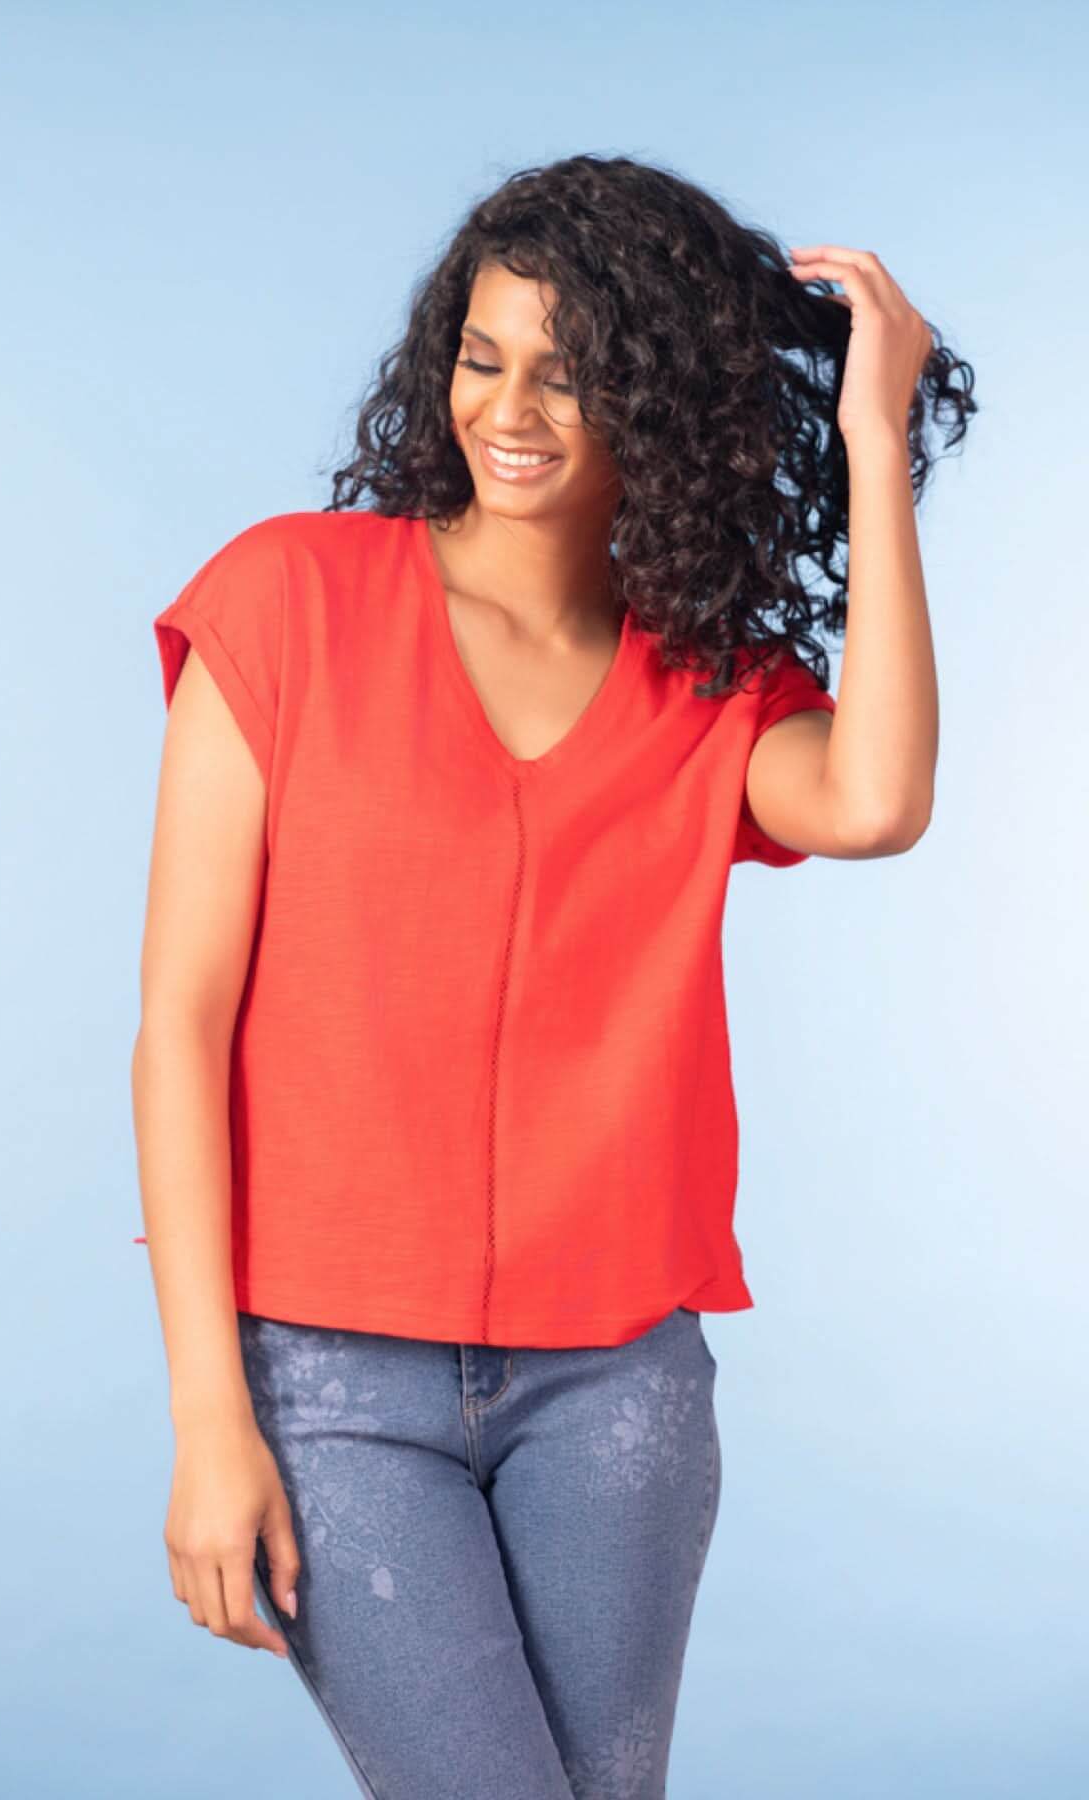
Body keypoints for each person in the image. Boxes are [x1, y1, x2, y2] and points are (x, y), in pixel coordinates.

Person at [131, 153, 974, 1799]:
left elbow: (877, 802)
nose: (508, 410)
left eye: (569, 374)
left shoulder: (710, 684)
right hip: (328, 1381)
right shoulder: (286, 602)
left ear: (661, 402)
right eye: (483, 356)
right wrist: (208, 1418)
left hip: (617, 1385)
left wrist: (875, 438)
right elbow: (181, 1026)